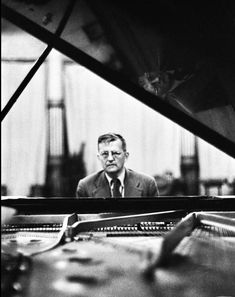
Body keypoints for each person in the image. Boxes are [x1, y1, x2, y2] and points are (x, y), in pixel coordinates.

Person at [76, 133, 159, 198]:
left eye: (115, 153)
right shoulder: (85, 186)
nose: (110, 158)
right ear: (99, 157)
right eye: (105, 154)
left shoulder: (147, 184)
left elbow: (154, 218)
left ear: (126, 156)